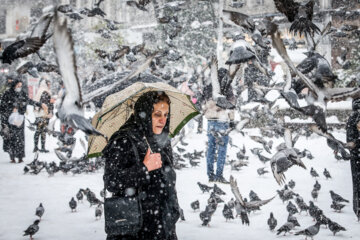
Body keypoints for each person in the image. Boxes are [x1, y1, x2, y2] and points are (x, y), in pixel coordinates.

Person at [103, 91, 180, 240]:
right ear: (144, 113)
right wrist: (144, 168)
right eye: (157, 114)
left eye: (166, 114)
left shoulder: (162, 140)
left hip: (163, 226)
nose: (163, 120)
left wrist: (172, 212)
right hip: (135, 228)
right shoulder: (123, 140)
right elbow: (111, 181)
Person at [0, 78, 46, 163]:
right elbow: (2, 107)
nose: (19, 88)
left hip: (20, 120)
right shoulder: (7, 94)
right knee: (12, 138)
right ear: (14, 86)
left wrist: (39, 104)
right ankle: (12, 156)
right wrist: (11, 109)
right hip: (10, 120)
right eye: (18, 86)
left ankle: (20, 156)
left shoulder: (22, 94)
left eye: (20, 86)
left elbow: (29, 101)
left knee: (20, 139)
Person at [203, 67, 236, 184]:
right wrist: (232, 120)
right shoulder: (226, 88)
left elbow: (204, 105)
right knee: (221, 150)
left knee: (211, 149)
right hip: (222, 122)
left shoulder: (208, 87)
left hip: (211, 122)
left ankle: (210, 175)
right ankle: (219, 175)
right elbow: (231, 106)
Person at [346, 98, 360, 221]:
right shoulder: (356, 117)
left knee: (357, 185)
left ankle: (358, 209)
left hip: (356, 157)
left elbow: (350, 141)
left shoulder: (352, 117)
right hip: (357, 156)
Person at [33, 78, 54, 153]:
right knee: (42, 131)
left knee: (39, 131)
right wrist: (50, 109)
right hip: (43, 114)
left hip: (40, 114)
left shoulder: (41, 91)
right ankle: (41, 147)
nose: (50, 85)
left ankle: (36, 147)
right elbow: (45, 104)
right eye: (48, 84)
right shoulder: (45, 92)